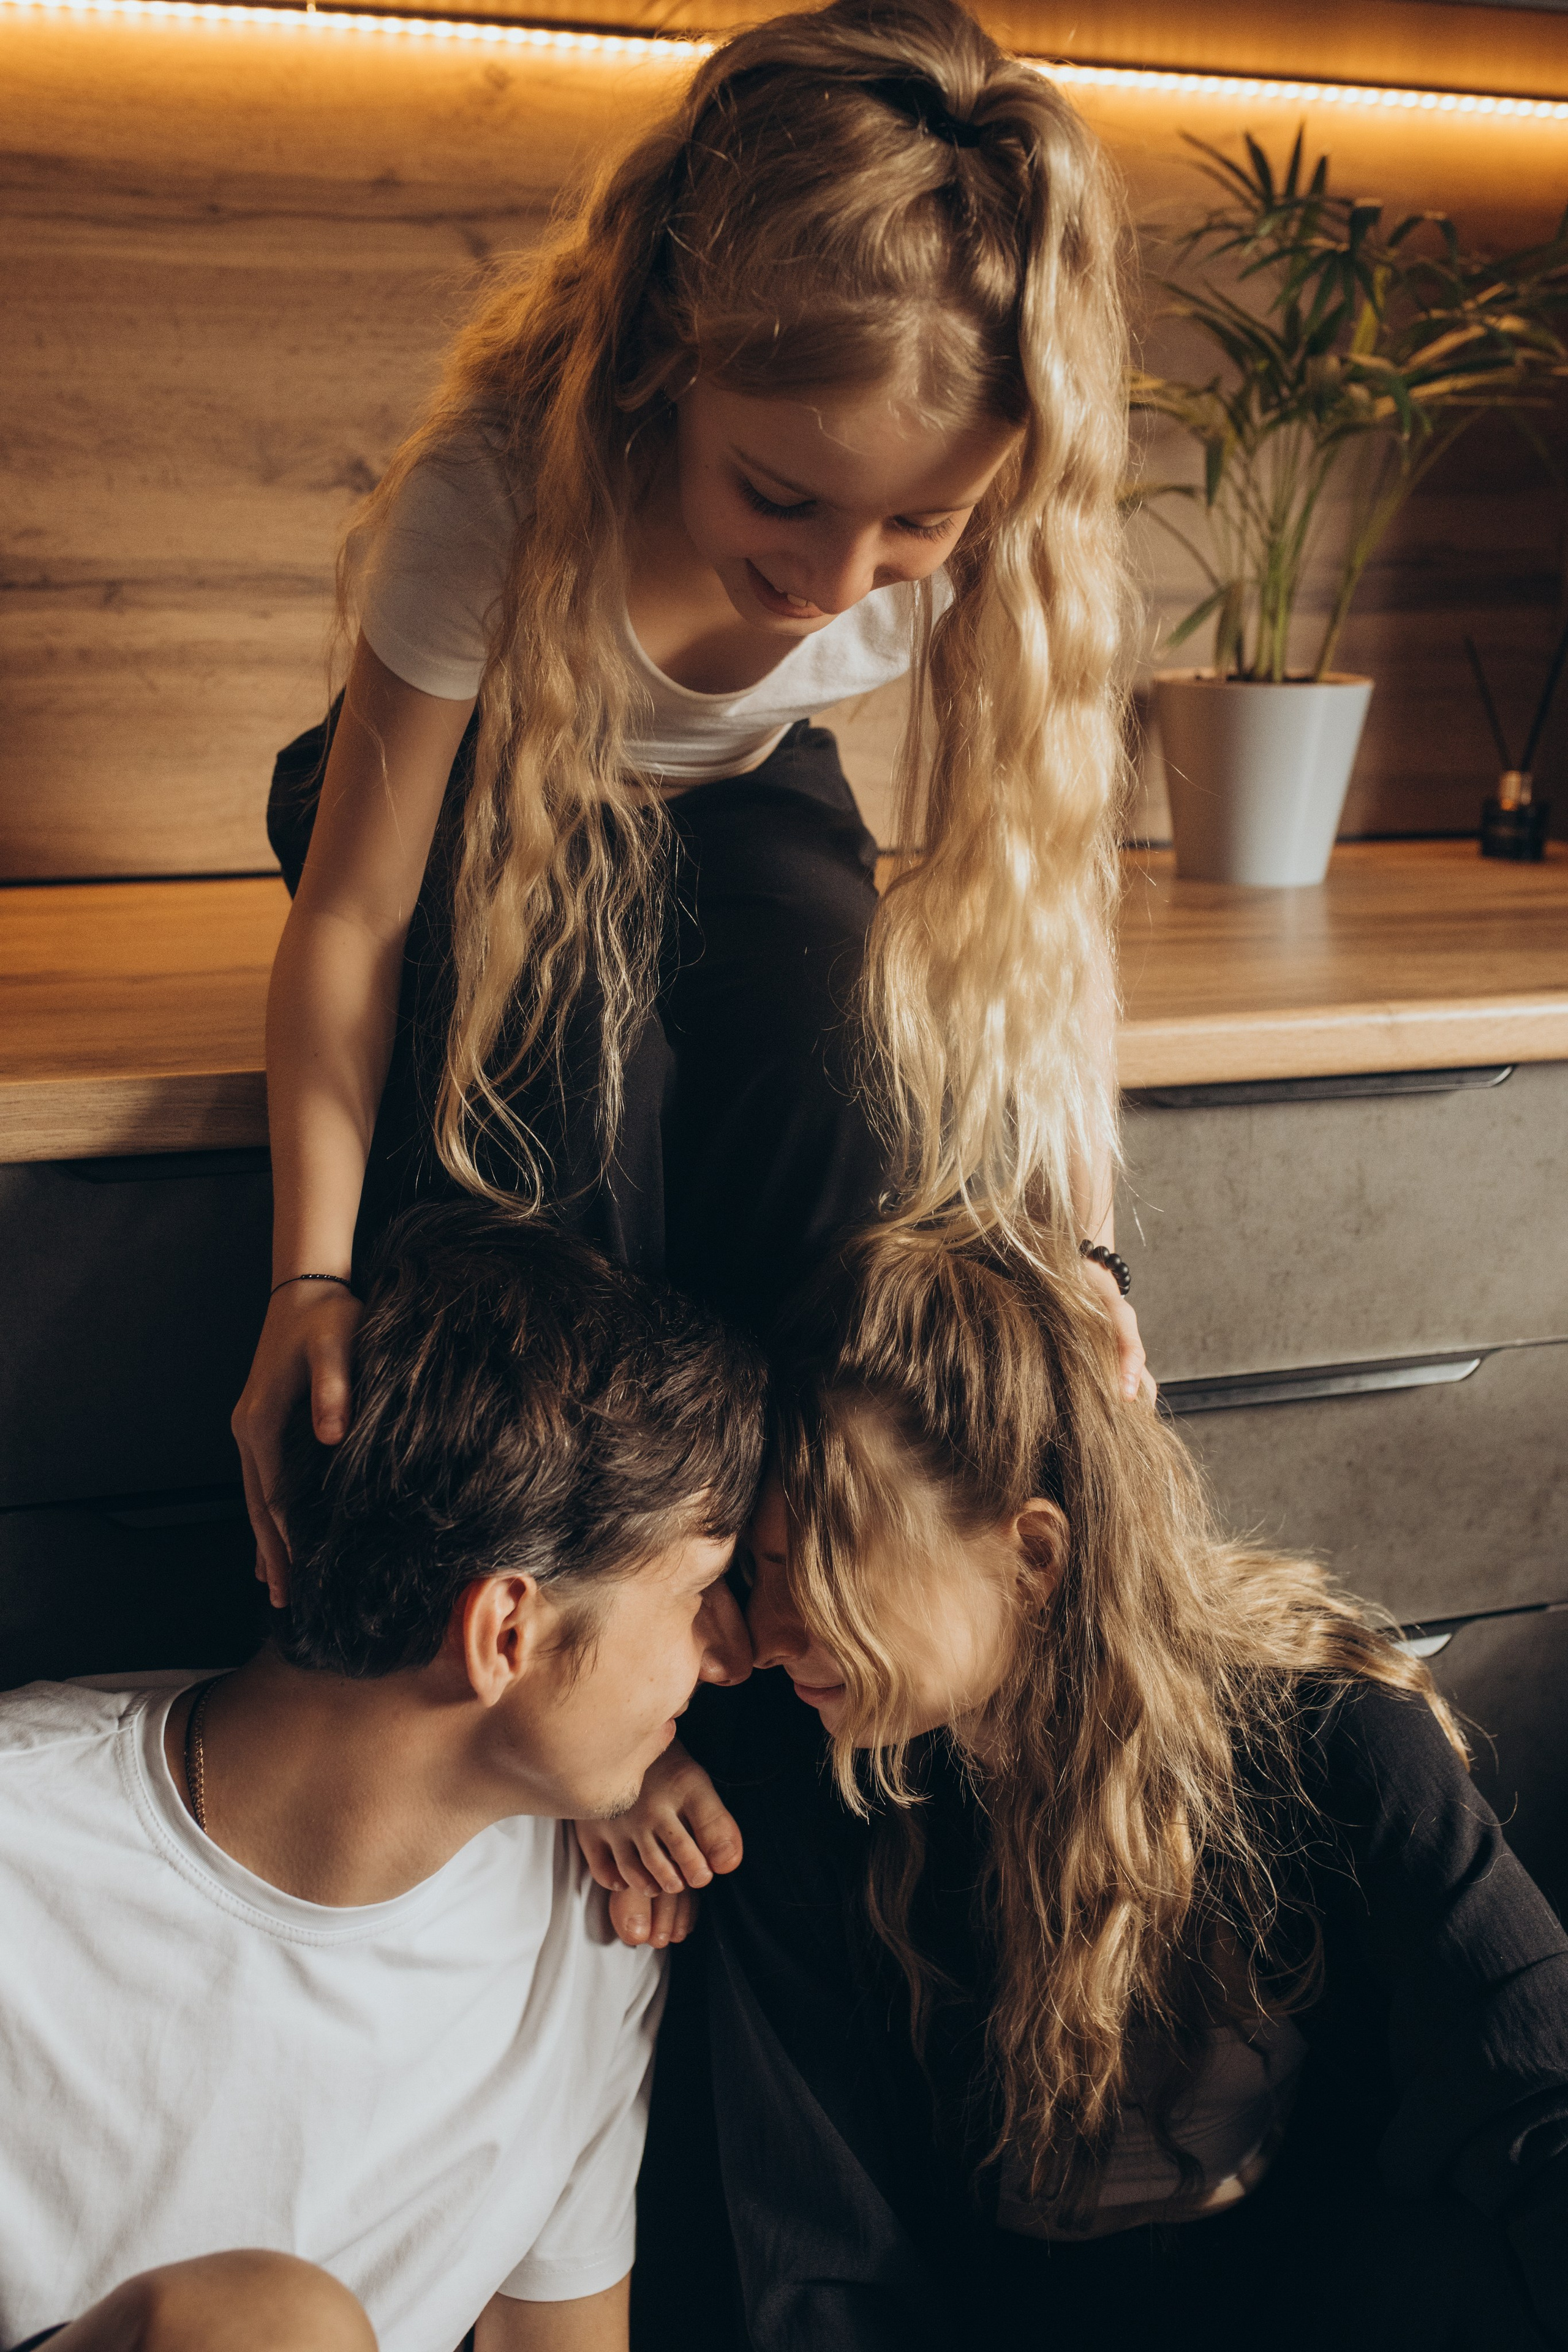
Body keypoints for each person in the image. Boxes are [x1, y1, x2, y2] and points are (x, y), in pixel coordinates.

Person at [235, 0, 1148, 1605]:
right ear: (671, 352)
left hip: (738, 792)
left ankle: (790, 1608)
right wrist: (306, 1275)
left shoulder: (1002, 536)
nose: (833, 583)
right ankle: (577, 1616)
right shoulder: (500, 486)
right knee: (570, 1053)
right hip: (474, 791)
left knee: (849, 1066)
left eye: (914, 529)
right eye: (781, 499)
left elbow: (1040, 911)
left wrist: (1083, 1255)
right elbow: (356, 914)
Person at [587, 1230, 1568, 2352]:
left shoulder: (1337, 1742)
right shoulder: (801, 1804)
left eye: (829, 1567)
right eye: (759, 1573)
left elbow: (1537, 2088)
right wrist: (620, 1765)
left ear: (1034, 1555)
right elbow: (822, 2273)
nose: (766, 1635)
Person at [0, 1202, 763, 2352]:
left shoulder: (595, 1930)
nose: (725, 1653)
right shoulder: (25, 1853)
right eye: (695, 1591)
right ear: (507, 1630)